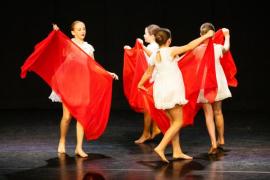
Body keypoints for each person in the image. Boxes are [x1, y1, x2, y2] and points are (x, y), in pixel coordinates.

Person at [138, 28, 214, 162]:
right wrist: (207, 35)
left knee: (173, 122)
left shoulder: (154, 55)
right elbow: (190, 46)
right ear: (169, 41)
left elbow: (148, 73)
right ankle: (161, 147)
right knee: (179, 121)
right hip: (172, 90)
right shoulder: (171, 50)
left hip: (161, 91)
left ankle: (177, 151)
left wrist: (140, 84)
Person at [50, 21, 118, 158]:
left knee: (81, 117)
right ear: (73, 32)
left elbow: (93, 66)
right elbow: (58, 48)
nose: (82, 31)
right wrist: (57, 34)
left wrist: (107, 73)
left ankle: (79, 148)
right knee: (67, 117)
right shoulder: (68, 44)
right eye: (79, 29)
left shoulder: (88, 47)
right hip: (69, 83)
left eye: (84, 29)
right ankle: (62, 140)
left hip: (83, 84)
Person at [196, 22, 231, 154]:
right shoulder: (217, 47)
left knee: (208, 114)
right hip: (217, 81)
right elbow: (226, 48)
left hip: (204, 82)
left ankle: (213, 142)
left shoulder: (197, 49)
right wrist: (227, 36)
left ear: (200, 35)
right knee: (218, 111)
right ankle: (220, 139)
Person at [124, 24, 161, 144]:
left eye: (145, 33)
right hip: (152, 80)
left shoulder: (155, 47)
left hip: (154, 81)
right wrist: (130, 50)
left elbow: (152, 56)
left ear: (152, 36)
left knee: (148, 108)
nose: (144, 35)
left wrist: (141, 46)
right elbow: (140, 58)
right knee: (151, 107)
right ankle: (154, 129)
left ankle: (147, 133)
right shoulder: (151, 46)